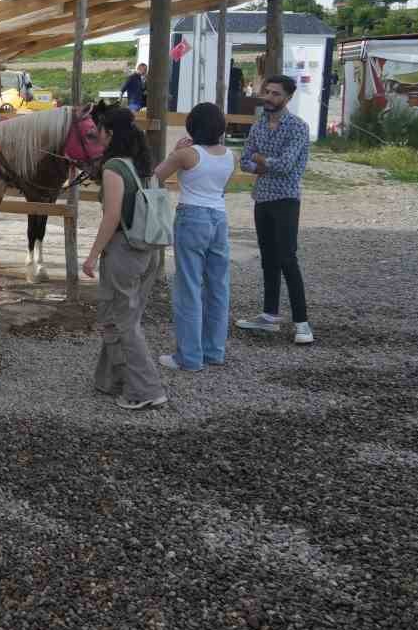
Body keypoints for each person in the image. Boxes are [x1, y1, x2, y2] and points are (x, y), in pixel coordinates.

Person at [81, 107, 168, 410]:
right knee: (116, 316)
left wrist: (92, 255)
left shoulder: (114, 167)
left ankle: (146, 389)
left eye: (100, 129)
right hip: (148, 250)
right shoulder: (142, 164)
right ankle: (112, 378)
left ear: (111, 133)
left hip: (123, 250)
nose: (95, 134)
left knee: (122, 321)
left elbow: (112, 216)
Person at [154, 103, 234, 371]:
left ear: (192, 126)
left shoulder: (187, 155)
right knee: (218, 287)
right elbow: (221, 188)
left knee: (189, 287)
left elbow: (156, 177)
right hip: (219, 218)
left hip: (192, 217)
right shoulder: (229, 155)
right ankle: (214, 350)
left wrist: (174, 152)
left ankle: (189, 357)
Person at [236, 76, 312, 345]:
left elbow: (286, 165)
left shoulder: (298, 128)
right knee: (268, 257)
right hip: (262, 199)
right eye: (266, 92)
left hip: (286, 200)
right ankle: (269, 315)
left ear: (288, 98)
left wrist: (261, 160)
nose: (268, 97)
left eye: (275, 94)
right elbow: (244, 161)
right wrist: (263, 162)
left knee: (287, 258)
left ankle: (302, 323)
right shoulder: (258, 126)